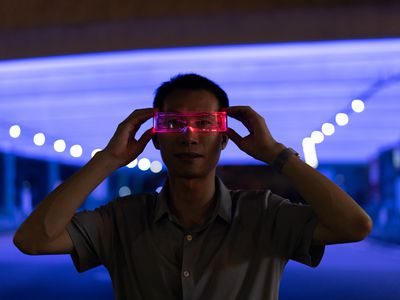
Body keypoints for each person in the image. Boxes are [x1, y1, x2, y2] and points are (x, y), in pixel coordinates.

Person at [13, 73, 373, 300]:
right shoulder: (121, 220)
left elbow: (355, 226)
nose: (189, 135)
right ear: (154, 137)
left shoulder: (264, 214)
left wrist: (277, 153)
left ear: (224, 137)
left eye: (204, 122)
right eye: (173, 124)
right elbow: (33, 240)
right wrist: (108, 158)